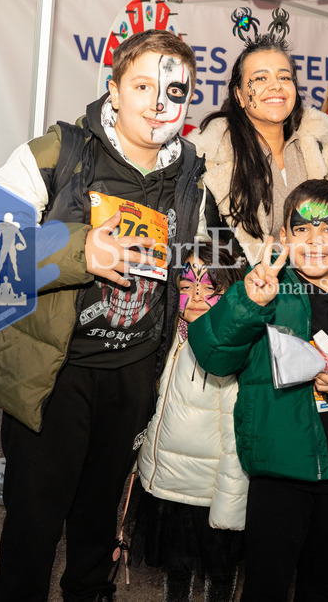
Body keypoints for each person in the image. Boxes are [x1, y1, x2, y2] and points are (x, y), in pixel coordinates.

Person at [0, 29, 206, 602]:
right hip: (55, 373)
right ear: (113, 91)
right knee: (34, 523)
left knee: (100, 522)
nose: (159, 103)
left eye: (174, 90)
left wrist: (195, 291)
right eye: (143, 86)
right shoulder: (60, 151)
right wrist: (80, 251)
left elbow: (184, 259)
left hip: (131, 374)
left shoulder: (188, 174)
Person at [189, 179, 328, 602]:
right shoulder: (266, 293)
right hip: (279, 469)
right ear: (283, 239)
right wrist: (247, 304)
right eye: (301, 229)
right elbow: (212, 353)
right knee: (266, 584)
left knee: (321, 580)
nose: (315, 240)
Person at [131, 244, 249, 602]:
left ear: (231, 291)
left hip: (210, 496)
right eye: (185, 287)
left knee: (219, 572)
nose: (195, 297)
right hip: (169, 485)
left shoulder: (230, 352)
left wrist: (230, 505)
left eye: (209, 287)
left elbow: (234, 436)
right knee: (176, 569)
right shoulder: (174, 338)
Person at [189, 34, 328, 266]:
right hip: (243, 291)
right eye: (260, 78)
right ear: (239, 95)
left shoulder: (319, 151)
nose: (276, 86)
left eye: (284, 77)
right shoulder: (212, 161)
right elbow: (207, 251)